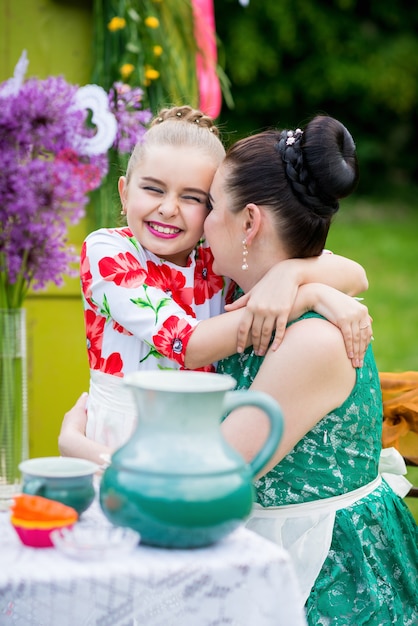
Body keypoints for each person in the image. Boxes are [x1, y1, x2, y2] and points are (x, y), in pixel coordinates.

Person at [63, 106, 370, 461]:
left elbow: (355, 274)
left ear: (211, 210)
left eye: (192, 197)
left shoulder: (212, 257)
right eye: (153, 189)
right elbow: (186, 343)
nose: (168, 208)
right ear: (124, 192)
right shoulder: (109, 251)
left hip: (200, 432)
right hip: (122, 434)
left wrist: (294, 275)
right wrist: (308, 295)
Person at [202, 116, 417, 623]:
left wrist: (90, 444)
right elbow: (348, 270)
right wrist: (304, 277)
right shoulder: (243, 287)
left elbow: (211, 473)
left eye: (212, 205)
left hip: (319, 570)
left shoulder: (313, 342)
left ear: (250, 222)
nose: (202, 222)